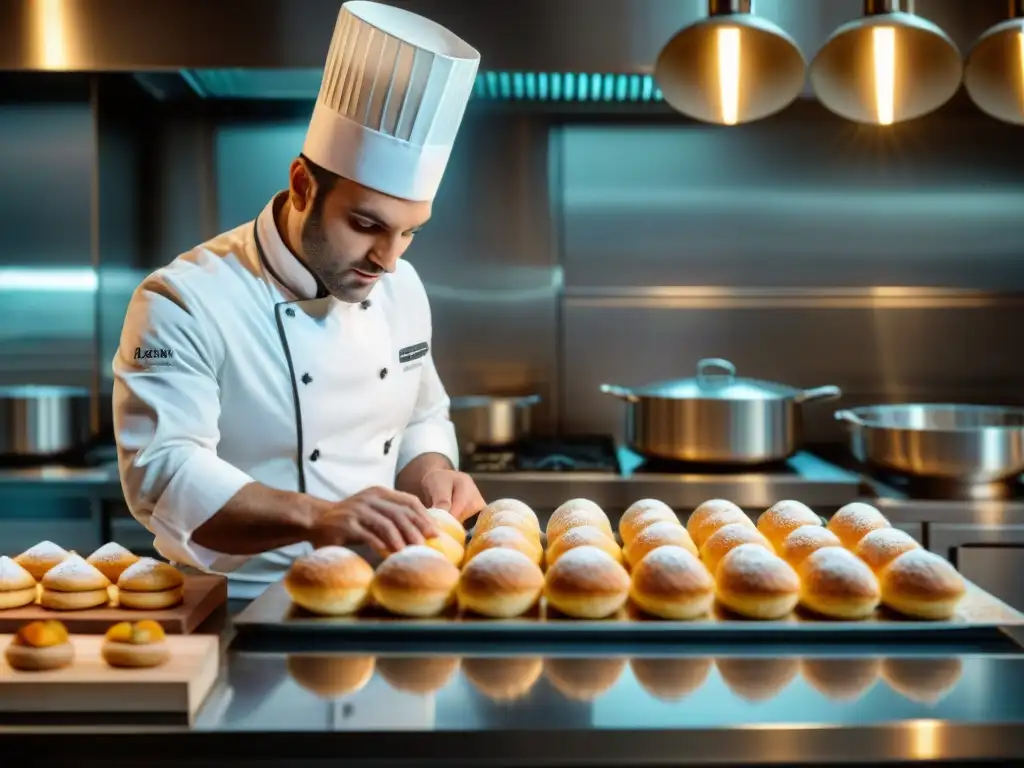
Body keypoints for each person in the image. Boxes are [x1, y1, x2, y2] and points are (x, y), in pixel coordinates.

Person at [112, 1, 485, 598]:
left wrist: (434, 475)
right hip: (234, 605)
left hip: (382, 596)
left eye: (410, 231)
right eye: (366, 224)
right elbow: (163, 472)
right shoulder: (183, 300)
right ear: (303, 185)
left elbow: (419, 415)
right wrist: (319, 517)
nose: (388, 259)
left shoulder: (402, 288)